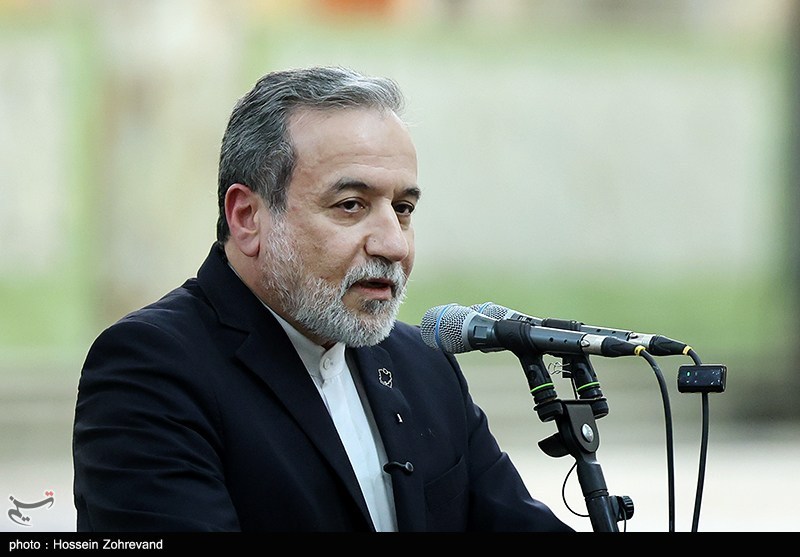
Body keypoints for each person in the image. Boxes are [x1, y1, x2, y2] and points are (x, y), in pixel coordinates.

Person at [72, 65, 574, 532]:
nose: (394, 245)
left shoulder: (423, 364)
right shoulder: (151, 368)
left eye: (403, 209)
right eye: (351, 205)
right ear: (248, 217)